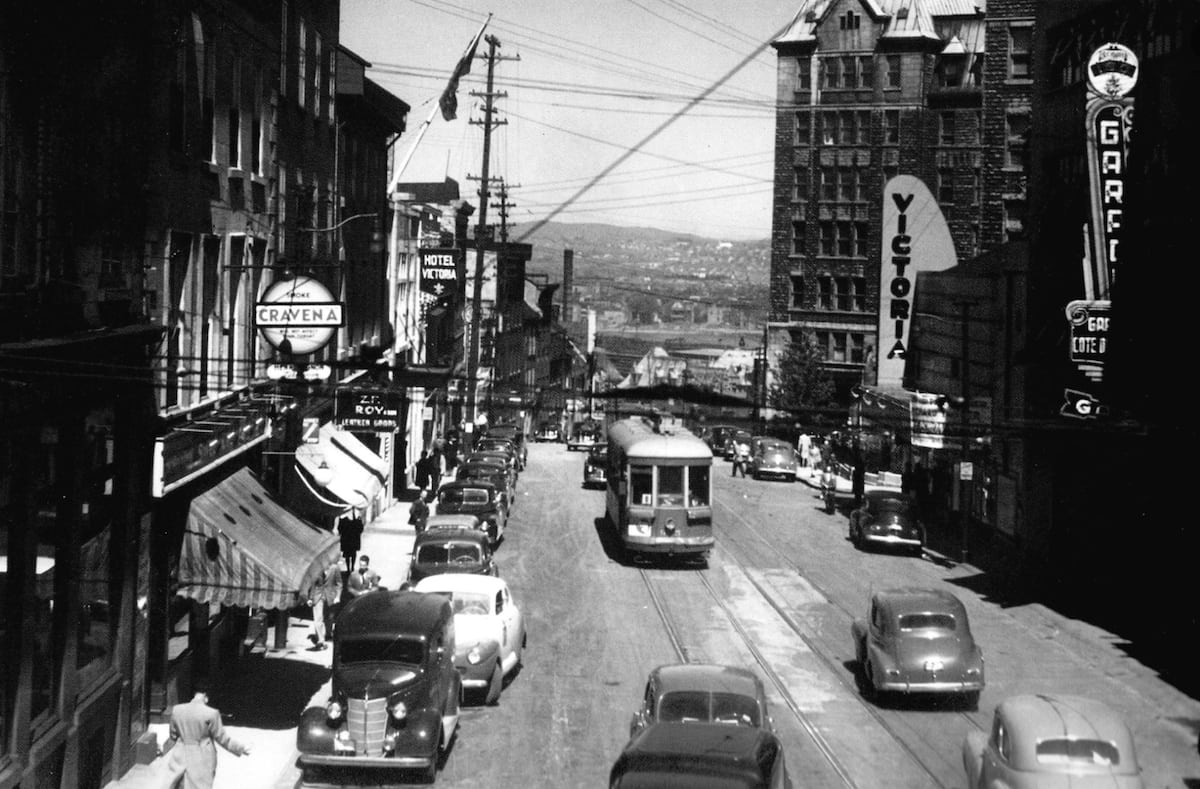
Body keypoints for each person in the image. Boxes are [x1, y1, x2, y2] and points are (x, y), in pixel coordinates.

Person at [160, 680, 250, 789]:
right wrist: (241, 748)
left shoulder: (177, 710)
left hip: (180, 755)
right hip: (202, 757)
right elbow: (222, 739)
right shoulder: (211, 714)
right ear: (206, 696)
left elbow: (173, 736)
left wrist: (162, 750)